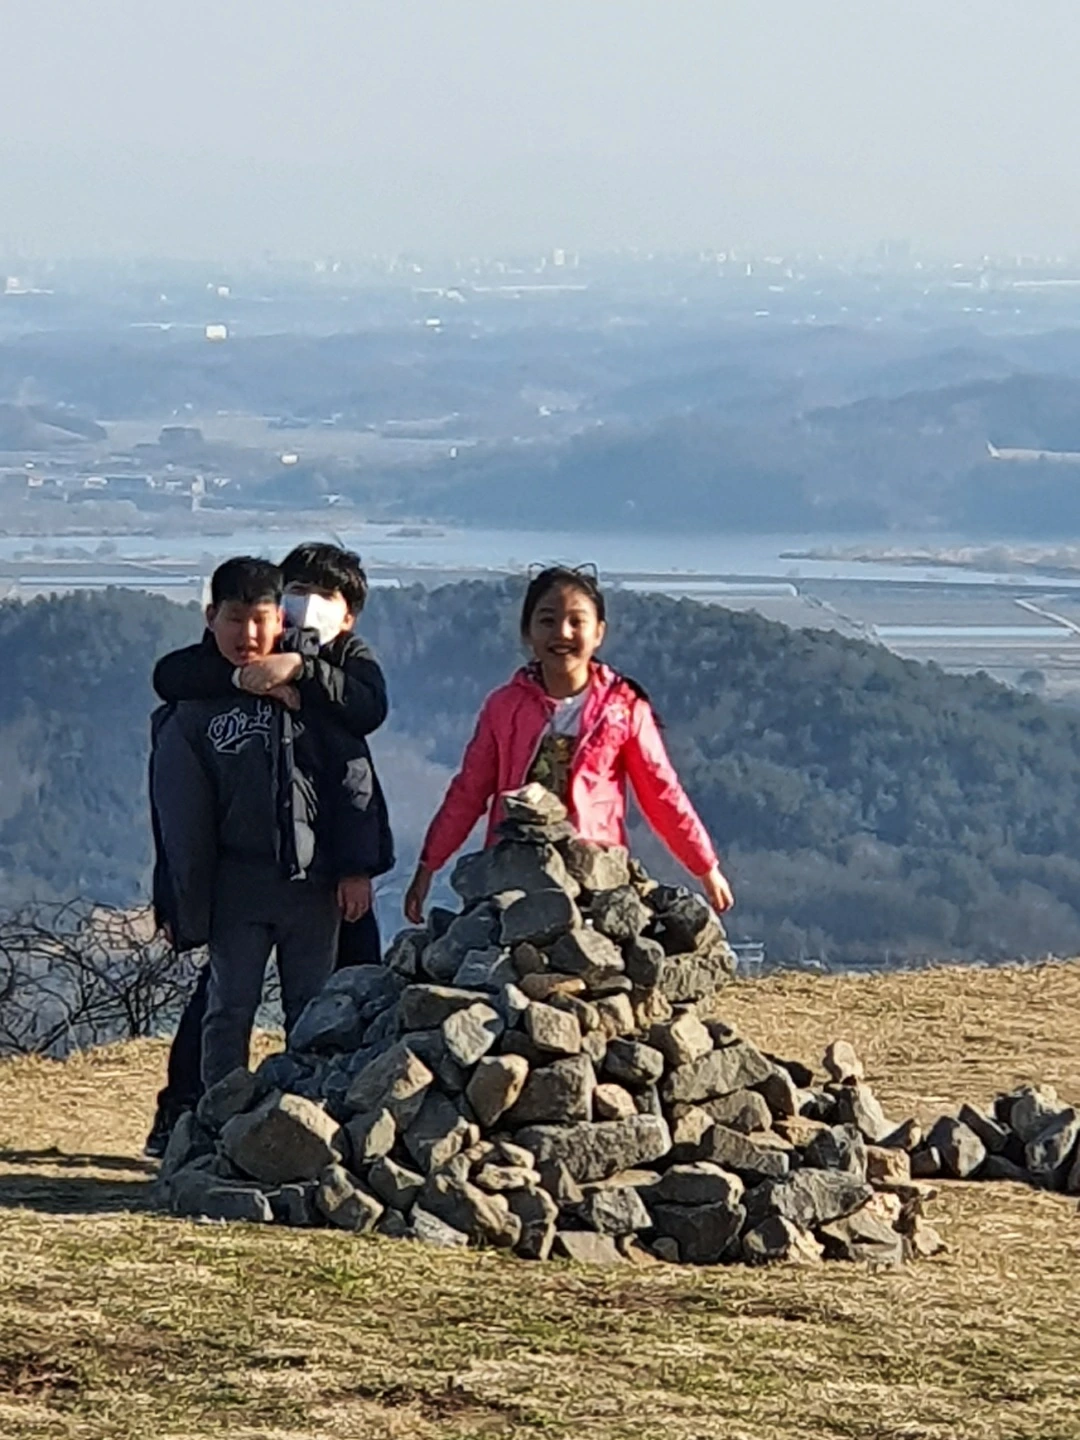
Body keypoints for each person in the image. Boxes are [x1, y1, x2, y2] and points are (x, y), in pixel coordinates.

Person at [144, 544, 394, 1157]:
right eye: (297, 591)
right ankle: (204, 1123)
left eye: (323, 596)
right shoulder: (206, 686)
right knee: (227, 1006)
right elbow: (170, 681)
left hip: (318, 874)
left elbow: (357, 760)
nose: (306, 607)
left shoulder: (340, 664)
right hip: (240, 879)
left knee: (322, 1004)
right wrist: (248, 677)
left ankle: (310, 1124)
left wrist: (300, 673)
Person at [404, 565, 734, 924]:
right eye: (547, 620)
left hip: (595, 876)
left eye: (577, 621)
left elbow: (661, 793)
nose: (562, 632)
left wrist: (705, 867)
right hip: (515, 873)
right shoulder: (504, 707)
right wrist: (428, 865)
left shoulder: (622, 709)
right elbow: (468, 792)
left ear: (599, 633)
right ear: (527, 631)